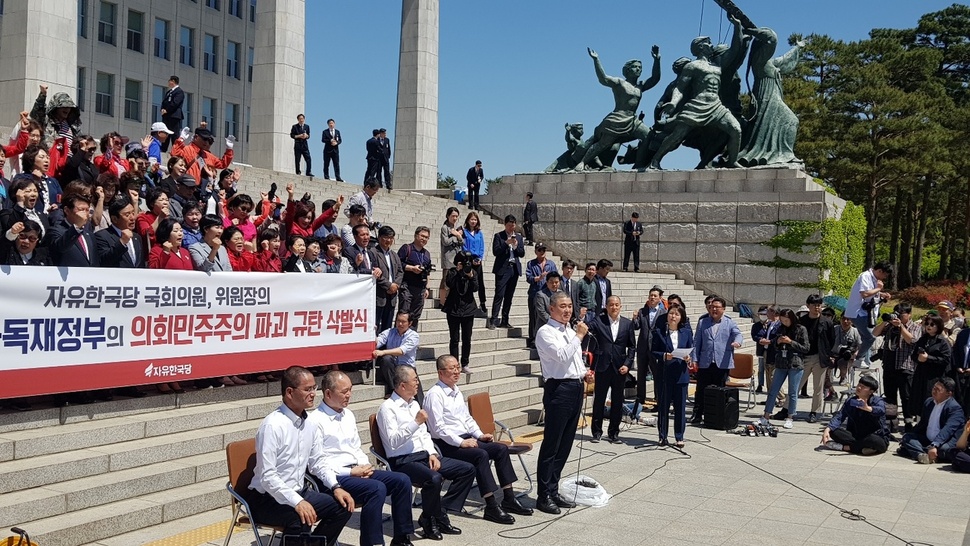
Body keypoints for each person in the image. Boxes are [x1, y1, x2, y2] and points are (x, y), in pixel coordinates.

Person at [247, 367, 354, 545]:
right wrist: (297, 502)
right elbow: (268, 477)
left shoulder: (310, 423)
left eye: (314, 388)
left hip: (299, 490)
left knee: (342, 506)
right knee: (301, 517)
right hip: (267, 498)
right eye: (307, 389)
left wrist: (336, 486)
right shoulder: (273, 425)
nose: (313, 394)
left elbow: (318, 462)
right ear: (289, 392)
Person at [309, 371, 416, 546]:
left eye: (350, 390)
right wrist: (351, 471)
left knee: (402, 480)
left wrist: (365, 465)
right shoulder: (315, 421)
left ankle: (401, 538)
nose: (349, 395)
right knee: (376, 489)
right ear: (328, 393)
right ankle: (371, 543)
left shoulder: (348, 415)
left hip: (356, 470)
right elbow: (318, 463)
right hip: (333, 477)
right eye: (344, 392)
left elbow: (356, 447)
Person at [424, 355, 531, 524]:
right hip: (447, 444)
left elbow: (467, 418)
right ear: (440, 372)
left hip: (466, 438)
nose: (456, 371)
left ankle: (509, 498)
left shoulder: (455, 390)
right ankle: (491, 506)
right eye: (452, 368)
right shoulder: (434, 395)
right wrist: (461, 442)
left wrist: (479, 434)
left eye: (458, 367)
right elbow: (438, 428)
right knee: (480, 455)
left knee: (500, 449)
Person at [376, 365, 473, 539]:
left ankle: (435, 513)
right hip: (402, 460)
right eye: (414, 380)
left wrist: (432, 454)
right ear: (402, 385)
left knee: (466, 470)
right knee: (433, 479)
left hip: (422, 455)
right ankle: (431, 520)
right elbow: (393, 442)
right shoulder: (387, 408)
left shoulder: (414, 404)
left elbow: (424, 435)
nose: (418, 383)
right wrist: (416, 422)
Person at [648, 18, 745, 169]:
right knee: (677, 136)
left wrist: (737, 26)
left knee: (736, 130)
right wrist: (673, 103)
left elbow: (735, 50)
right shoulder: (692, 66)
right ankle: (655, 160)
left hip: (716, 106)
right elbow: (680, 88)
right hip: (697, 105)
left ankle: (732, 161)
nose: (711, 45)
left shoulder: (717, 65)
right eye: (708, 42)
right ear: (700, 47)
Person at [534, 292, 593, 514]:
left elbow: (573, 360)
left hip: (575, 387)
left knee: (566, 443)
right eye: (562, 306)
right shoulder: (545, 332)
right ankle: (543, 495)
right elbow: (560, 357)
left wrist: (584, 372)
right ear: (551, 309)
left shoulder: (569, 331)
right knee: (552, 444)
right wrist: (578, 336)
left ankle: (553, 488)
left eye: (570, 306)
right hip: (558, 390)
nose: (567, 310)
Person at [586, 295, 636, 444]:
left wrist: (627, 364)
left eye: (616, 305)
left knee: (617, 400)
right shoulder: (599, 321)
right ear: (606, 307)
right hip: (602, 366)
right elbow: (588, 327)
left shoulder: (627, 324)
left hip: (620, 368)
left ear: (620, 306)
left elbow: (632, 347)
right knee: (599, 400)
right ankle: (596, 432)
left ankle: (614, 433)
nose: (614, 307)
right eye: (611, 305)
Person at [690, 296, 743, 425]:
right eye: (712, 307)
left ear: (723, 309)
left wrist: (737, 342)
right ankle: (697, 415)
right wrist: (695, 359)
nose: (714, 309)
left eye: (717, 307)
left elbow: (738, 334)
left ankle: (716, 415)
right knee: (701, 390)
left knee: (719, 390)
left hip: (722, 363)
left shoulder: (729, 322)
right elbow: (697, 342)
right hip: (705, 362)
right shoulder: (703, 322)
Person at [652, 304, 693, 447]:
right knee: (663, 407)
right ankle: (662, 436)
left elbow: (690, 349)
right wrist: (664, 355)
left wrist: (688, 358)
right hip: (665, 374)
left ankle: (679, 436)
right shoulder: (659, 332)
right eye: (671, 314)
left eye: (676, 314)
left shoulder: (686, 332)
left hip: (681, 373)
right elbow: (653, 351)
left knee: (680, 407)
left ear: (681, 317)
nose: (673, 316)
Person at [898, 377, 966, 464]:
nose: (934, 391)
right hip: (928, 439)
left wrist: (935, 444)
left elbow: (947, 430)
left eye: (938, 390)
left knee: (944, 450)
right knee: (907, 438)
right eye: (934, 388)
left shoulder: (955, 408)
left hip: (945, 441)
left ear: (948, 393)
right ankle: (923, 454)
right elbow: (922, 424)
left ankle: (923, 452)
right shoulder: (929, 402)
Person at [760, 309, 809, 429]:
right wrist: (777, 341)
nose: (784, 322)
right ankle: (766, 415)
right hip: (781, 363)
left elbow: (806, 348)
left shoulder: (801, 329)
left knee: (792, 392)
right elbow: (774, 344)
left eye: (786, 320)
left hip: (795, 364)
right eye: (782, 320)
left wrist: (790, 342)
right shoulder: (780, 328)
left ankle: (790, 416)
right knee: (773, 390)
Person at [819, 375, 890, 456]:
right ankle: (863, 449)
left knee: (873, 440)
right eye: (859, 385)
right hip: (856, 435)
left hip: (875, 436)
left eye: (863, 387)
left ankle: (846, 448)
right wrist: (828, 429)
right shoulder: (851, 401)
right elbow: (840, 416)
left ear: (871, 391)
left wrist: (868, 408)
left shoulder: (877, 401)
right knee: (833, 431)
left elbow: (881, 410)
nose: (859, 388)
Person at [844, 262, 893, 369]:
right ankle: (859, 358)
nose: (885, 277)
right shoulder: (865, 276)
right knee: (870, 338)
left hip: (866, 314)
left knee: (866, 338)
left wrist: (881, 294)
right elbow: (864, 293)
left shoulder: (873, 278)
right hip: (857, 313)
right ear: (879, 271)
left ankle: (863, 360)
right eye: (885, 275)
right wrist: (879, 289)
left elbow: (871, 292)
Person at [797, 294, 836, 424]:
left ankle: (815, 412)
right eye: (814, 305)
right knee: (796, 384)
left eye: (819, 305)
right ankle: (787, 409)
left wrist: (829, 354)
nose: (816, 308)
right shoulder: (802, 321)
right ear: (808, 306)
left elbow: (832, 340)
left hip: (820, 357)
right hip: (804, 356)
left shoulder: (827, 322)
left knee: (818, 387)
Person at [910, 315, 953, 421]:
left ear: (938, 326)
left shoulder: (942, 342)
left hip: (935, 377)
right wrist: (918, 358)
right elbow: (914, 354)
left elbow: (946, 360)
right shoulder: (923, 339)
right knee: (918, 400)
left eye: (932, 324)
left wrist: (928, 358)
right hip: (921, 374)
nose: (929, 326)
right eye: (927, 324)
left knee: (931, 399)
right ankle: (920, 422)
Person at [444, 251, 479, 374]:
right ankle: (454, 363)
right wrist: (458, 271)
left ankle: (465, 363)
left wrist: (470, 275)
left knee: (467, 338)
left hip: (468, 309)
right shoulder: (453, 272)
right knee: (454, 338)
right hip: (453, 308)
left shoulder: (472, 272)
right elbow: (449, 284)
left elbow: (475, 288)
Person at [374, 312, 421, 401]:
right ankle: (394, 390)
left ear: (410, 323)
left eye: (403, 322)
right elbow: (377, 343)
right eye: (398, 321)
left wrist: (383, 352)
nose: (400, 324)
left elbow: (401, 351)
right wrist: (373, 333)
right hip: (393, 366)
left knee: (417, 395)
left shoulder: (413, 336)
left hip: (406, 367)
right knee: (386, 359)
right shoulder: (390, 332)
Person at [633, 285, 666, 408]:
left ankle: (658, 397)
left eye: (655, 296)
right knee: (641, 372)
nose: (652, 298)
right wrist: (635, 318)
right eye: (651, 295)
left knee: (657, 374)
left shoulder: (664, 313)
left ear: (660, 298)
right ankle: (640, 397)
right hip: (643, 346)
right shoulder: (643, 311)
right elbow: (636, 327)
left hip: (656, 348)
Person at [489, 215, 525, 330]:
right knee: (499, 294)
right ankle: (493, 319)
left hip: (514, 268)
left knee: (509, 296)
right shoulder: (499, 236)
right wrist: (506, 243)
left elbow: (522, 253)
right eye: (509, 225)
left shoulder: (518, 237)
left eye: (513, 225)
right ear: (505, 225)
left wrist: (515, 247)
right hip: (502, 269)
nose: (511, 227)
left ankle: (505, 320)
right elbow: (496, 251)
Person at [369, 226, 404, 334]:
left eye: (391, 238)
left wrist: (396, 285)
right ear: (379, 237)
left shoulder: (394, 254)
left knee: (387, 326)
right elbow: (375, 273)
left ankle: (385, 349)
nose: (388, 240)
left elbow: (400, 271)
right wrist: (389, 285)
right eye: (385, 237)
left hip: (392, 295)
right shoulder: (373, 252)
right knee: (375, 324)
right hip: (379, 294)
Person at [48, 194, 98, 267]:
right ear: (67, 210)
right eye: (81, 210)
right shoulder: (55, 231)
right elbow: (61, 247)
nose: (85, 214)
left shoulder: (89, 234)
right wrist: (77, 226)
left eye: (87, 210)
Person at [95, 195, 145, 268]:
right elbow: (103, 261)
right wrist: (122, 242)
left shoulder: (137, 237)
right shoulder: (101, 236)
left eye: (133, 213)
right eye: (127, 215)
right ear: (114, 219)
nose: (132, 218)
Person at [398, 226, 432, 328]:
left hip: (420, 288)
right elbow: (398, 264)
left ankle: (412, 339)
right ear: (416, 235)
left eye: (427, 237)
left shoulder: (426, 254)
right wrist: (412, 268)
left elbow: (428, 272)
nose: (424, 239)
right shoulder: (406, 248)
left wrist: (427, 288)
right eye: (422, 236)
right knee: (404, 314)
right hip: (407, 286)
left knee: (415, 316)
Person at [525, 242, 557, 344]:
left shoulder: (551, 264)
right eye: (539, 250)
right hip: (534, 293)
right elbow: (528, 278)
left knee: (546, 315)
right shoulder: (531, 263)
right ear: (535, 252)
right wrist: (538, 278)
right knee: (533, 316)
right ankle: (532, 338)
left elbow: (555, 276)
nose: (542, 252)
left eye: (543, 250)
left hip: (547, 294)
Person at [461, 212, 487, 316]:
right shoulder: (464, 232)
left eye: (475, 220)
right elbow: (463, 245)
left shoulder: (479, 233)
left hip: (478, 259)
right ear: (468, 220)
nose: (473, 221)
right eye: (471, 219)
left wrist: (480, 258)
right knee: (468, 280)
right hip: (468, 259)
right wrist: (469, 257)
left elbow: (482, 246)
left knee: (480, 282)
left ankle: (483, 302)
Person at [439, 207, 464, 305]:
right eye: (453, 216)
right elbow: (445, 242)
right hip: (447, 257)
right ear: (448, 216)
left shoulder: (457, 228)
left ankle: (450, 300)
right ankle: (442, 302)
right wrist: (455, 236)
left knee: (453, 280)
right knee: (445, 280)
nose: (454, 218)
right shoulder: (444, 228)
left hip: (456, 257)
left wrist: (458, 236)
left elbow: (462, 242)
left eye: (456, 216)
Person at [159, 76, 184, 152]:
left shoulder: (179, 92)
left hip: (174, 116)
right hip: (167, 116)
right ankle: (163, 149)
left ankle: (175, 151)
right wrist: (162, 109)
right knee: (165, 133)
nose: (168, 82)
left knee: (174, 134)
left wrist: (167, 110)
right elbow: (164, 102)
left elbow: (175, 103)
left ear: (173, 81)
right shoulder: (169, 92)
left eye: (169, 81)